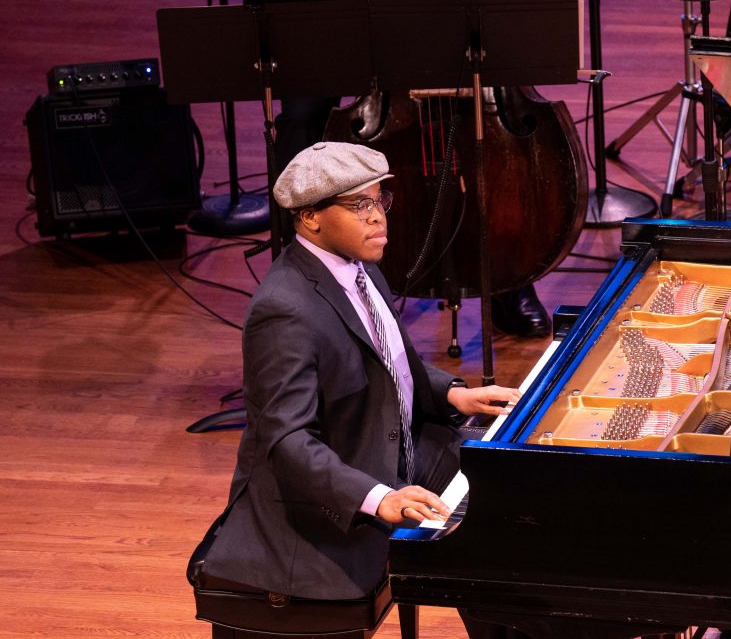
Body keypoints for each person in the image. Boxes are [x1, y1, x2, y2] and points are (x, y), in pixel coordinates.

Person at [195, 141, 522, 607]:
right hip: (327, 504)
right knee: (494, 549)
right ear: (310, 217)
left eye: (380, 200)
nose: (378, 217)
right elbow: (287, 442)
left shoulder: (358, 265)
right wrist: (377, 497)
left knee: (511, 502)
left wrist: (453, 395)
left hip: (391, 447)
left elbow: (389, 360)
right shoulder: (284, 311)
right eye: (359, 205)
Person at [259, 0, 552, 338]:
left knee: (489, 99)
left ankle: (504, 273)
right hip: (352, 2)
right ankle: (306, 284)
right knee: (304, 119)